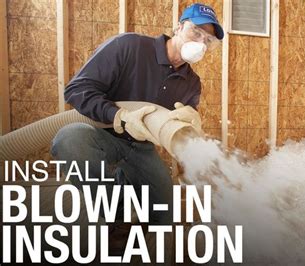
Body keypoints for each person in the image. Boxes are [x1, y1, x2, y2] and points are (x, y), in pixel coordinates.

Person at [50, 3, 224, 254]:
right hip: (104, 135)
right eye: (196, 32)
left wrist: (192, 124)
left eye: (208, 40)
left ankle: (141, 242)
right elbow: (77, 90)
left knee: (164, 215)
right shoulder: (129, 47)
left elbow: (179, 126)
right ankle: (116, 216)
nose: (201, 43)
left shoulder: (192, 83)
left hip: (141, 148)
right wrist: (118, 115)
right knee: (70, 139)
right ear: (178, 27)